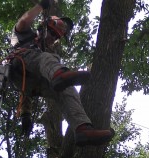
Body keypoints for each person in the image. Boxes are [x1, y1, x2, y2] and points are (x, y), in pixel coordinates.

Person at [10, 0, 115, 146]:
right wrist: (40, 6)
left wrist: (25, 114)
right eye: (51, 33)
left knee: (67, 88)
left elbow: (25, 90)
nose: (52, 38)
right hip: (18, 65)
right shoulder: (26, 35)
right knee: (49, 58)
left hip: (32, 84)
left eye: (56, 37)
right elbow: (23, 21)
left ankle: (82, 128)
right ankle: (59, 76)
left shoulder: (47, 53)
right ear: (43, 27)